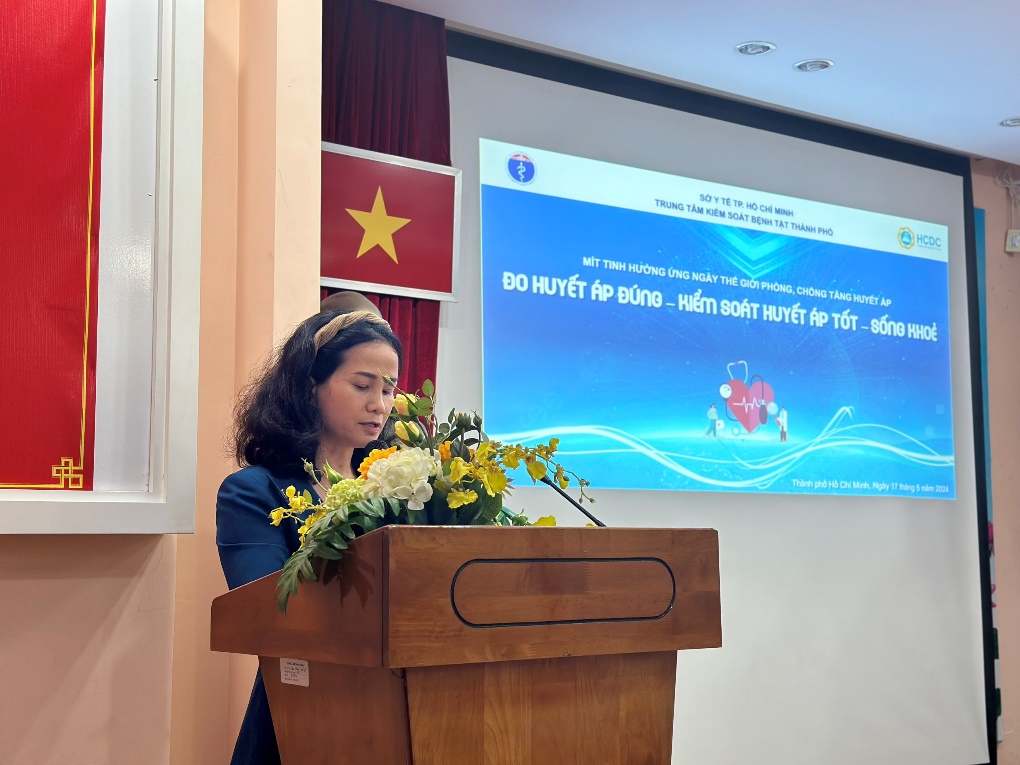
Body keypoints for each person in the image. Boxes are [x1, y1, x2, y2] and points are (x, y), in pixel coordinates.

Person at [216, 309, 402, 765]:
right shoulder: (255, 490)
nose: (379, 405)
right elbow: (268, 612)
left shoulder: (399, 491)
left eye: (388, 390)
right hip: (301, 713)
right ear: (310, 385)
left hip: (403, 712)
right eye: (362, 386)